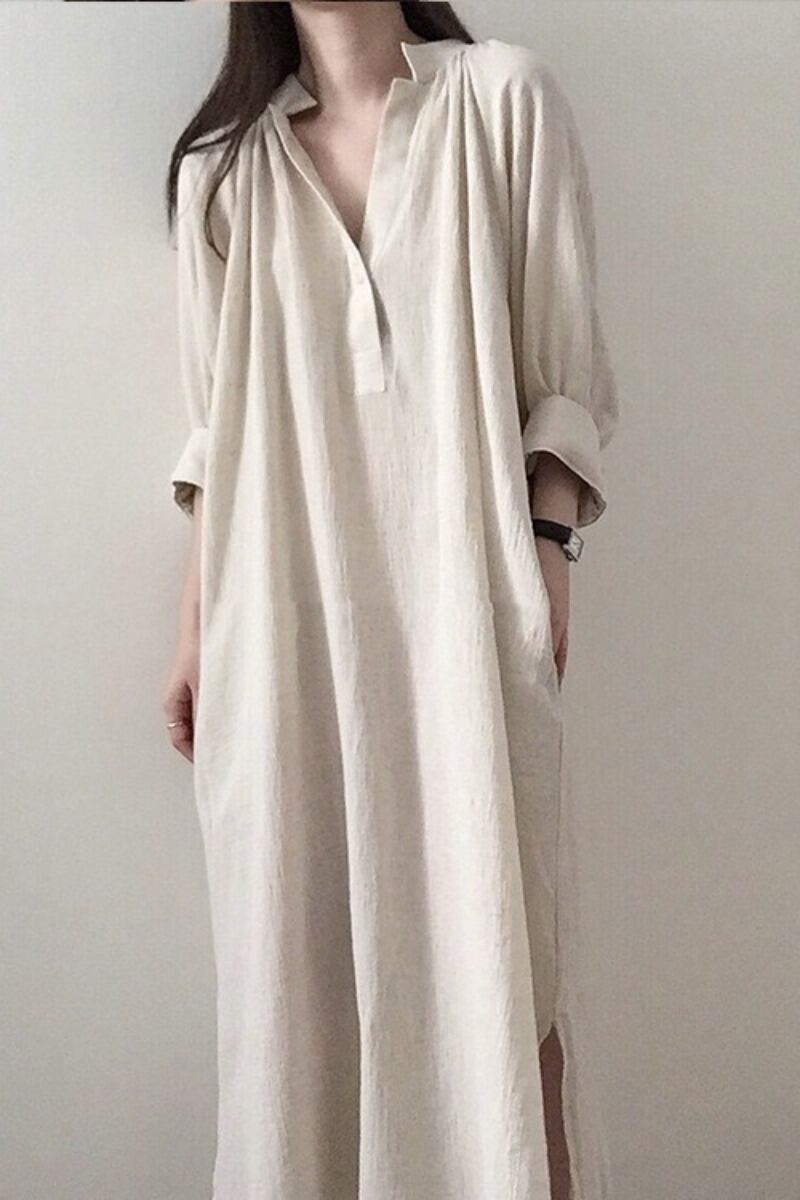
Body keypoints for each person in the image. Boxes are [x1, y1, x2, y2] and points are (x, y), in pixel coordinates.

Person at [162, 3, 619, 1198]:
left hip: (466, 604)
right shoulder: (222, 173)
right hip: (279, 628)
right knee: (295, 1000)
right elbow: (217, 433)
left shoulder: (501, 100)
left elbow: (561, 371)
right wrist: (195, 630)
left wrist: (547, 552)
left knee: (501, 973)